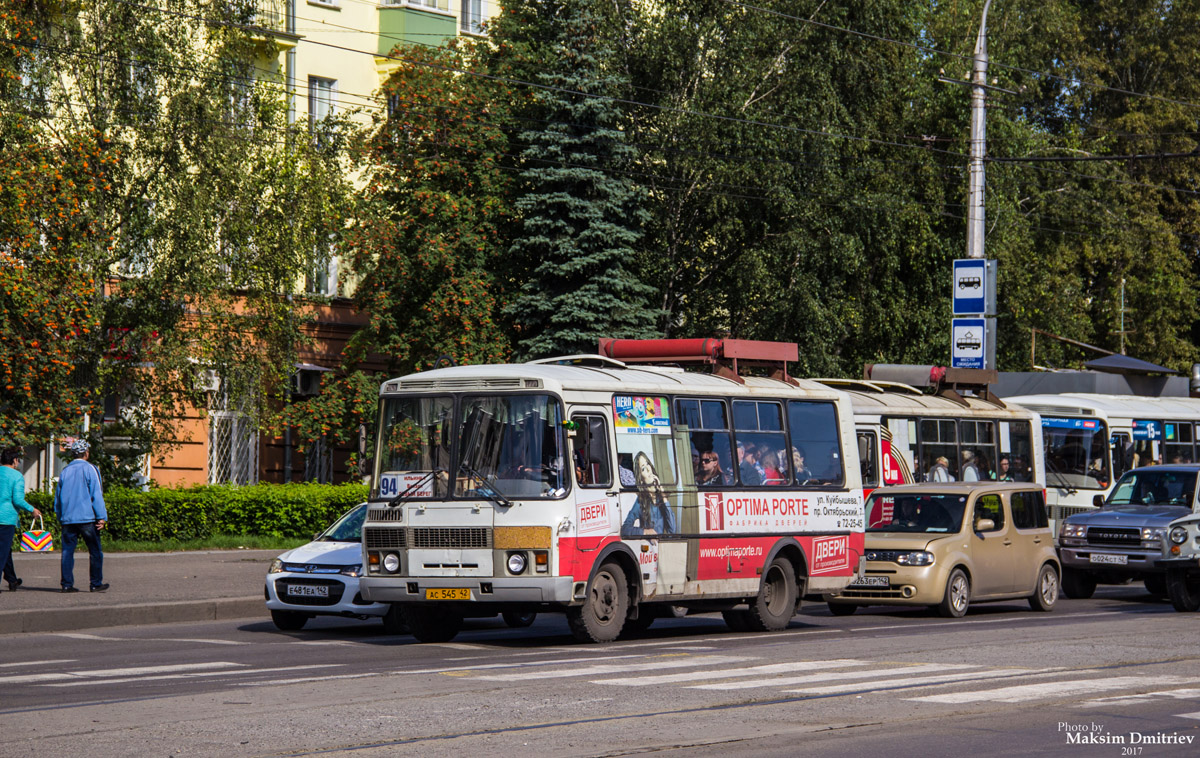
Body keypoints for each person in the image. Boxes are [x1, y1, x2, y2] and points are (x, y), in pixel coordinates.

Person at [54, 440, 109, 593]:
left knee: (67, 551)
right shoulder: (91, 469)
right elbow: (96, 494)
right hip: (86, 518)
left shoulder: (65, 471)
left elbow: (57, 497)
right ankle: (95, 583)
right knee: (95, 551)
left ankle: (66, 584)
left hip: (68, 518)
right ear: (86, 453)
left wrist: (60, 516)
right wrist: (101, 516)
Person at [1, 448, 42, 593]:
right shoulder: (16, 476)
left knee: (5, 550)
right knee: (2, 551)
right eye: (18, 459)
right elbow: (17, 500)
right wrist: (32, 509)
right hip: (5, 519)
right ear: (14, 460)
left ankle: (12, 580)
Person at [622, 451, 677, 537]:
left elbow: (672, 530)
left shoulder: (661, 498)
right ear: (641, 479)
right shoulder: (641, 501)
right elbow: (625, 529)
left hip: (662, 546)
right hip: (648, 547)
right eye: (643, 468)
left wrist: (662, 492)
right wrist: (645, 532)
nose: (648, 469)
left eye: (647, 464)